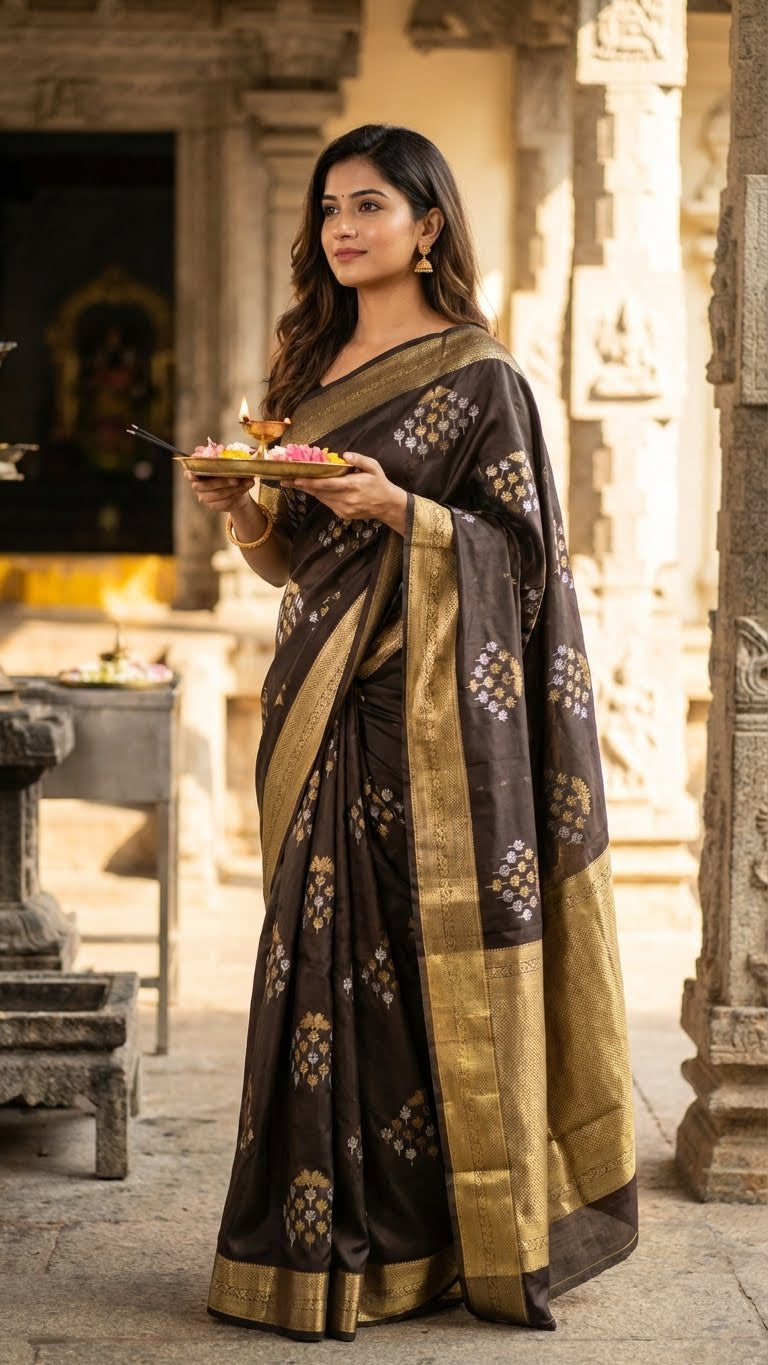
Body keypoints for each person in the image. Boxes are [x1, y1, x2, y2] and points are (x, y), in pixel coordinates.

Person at [184, 123, 637, 1343]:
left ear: (428, 225)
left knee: (406, 973)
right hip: (316, 703)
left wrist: (402, 509)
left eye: (370, 205)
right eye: (331, 206)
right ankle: (306, 1244)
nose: (341, 226)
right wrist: (244, 511)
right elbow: (294, 568)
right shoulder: (308, 366)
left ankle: (430, 1240)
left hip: (426, 719)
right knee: (309, 966)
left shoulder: (480, 378)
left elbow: (526, 563)